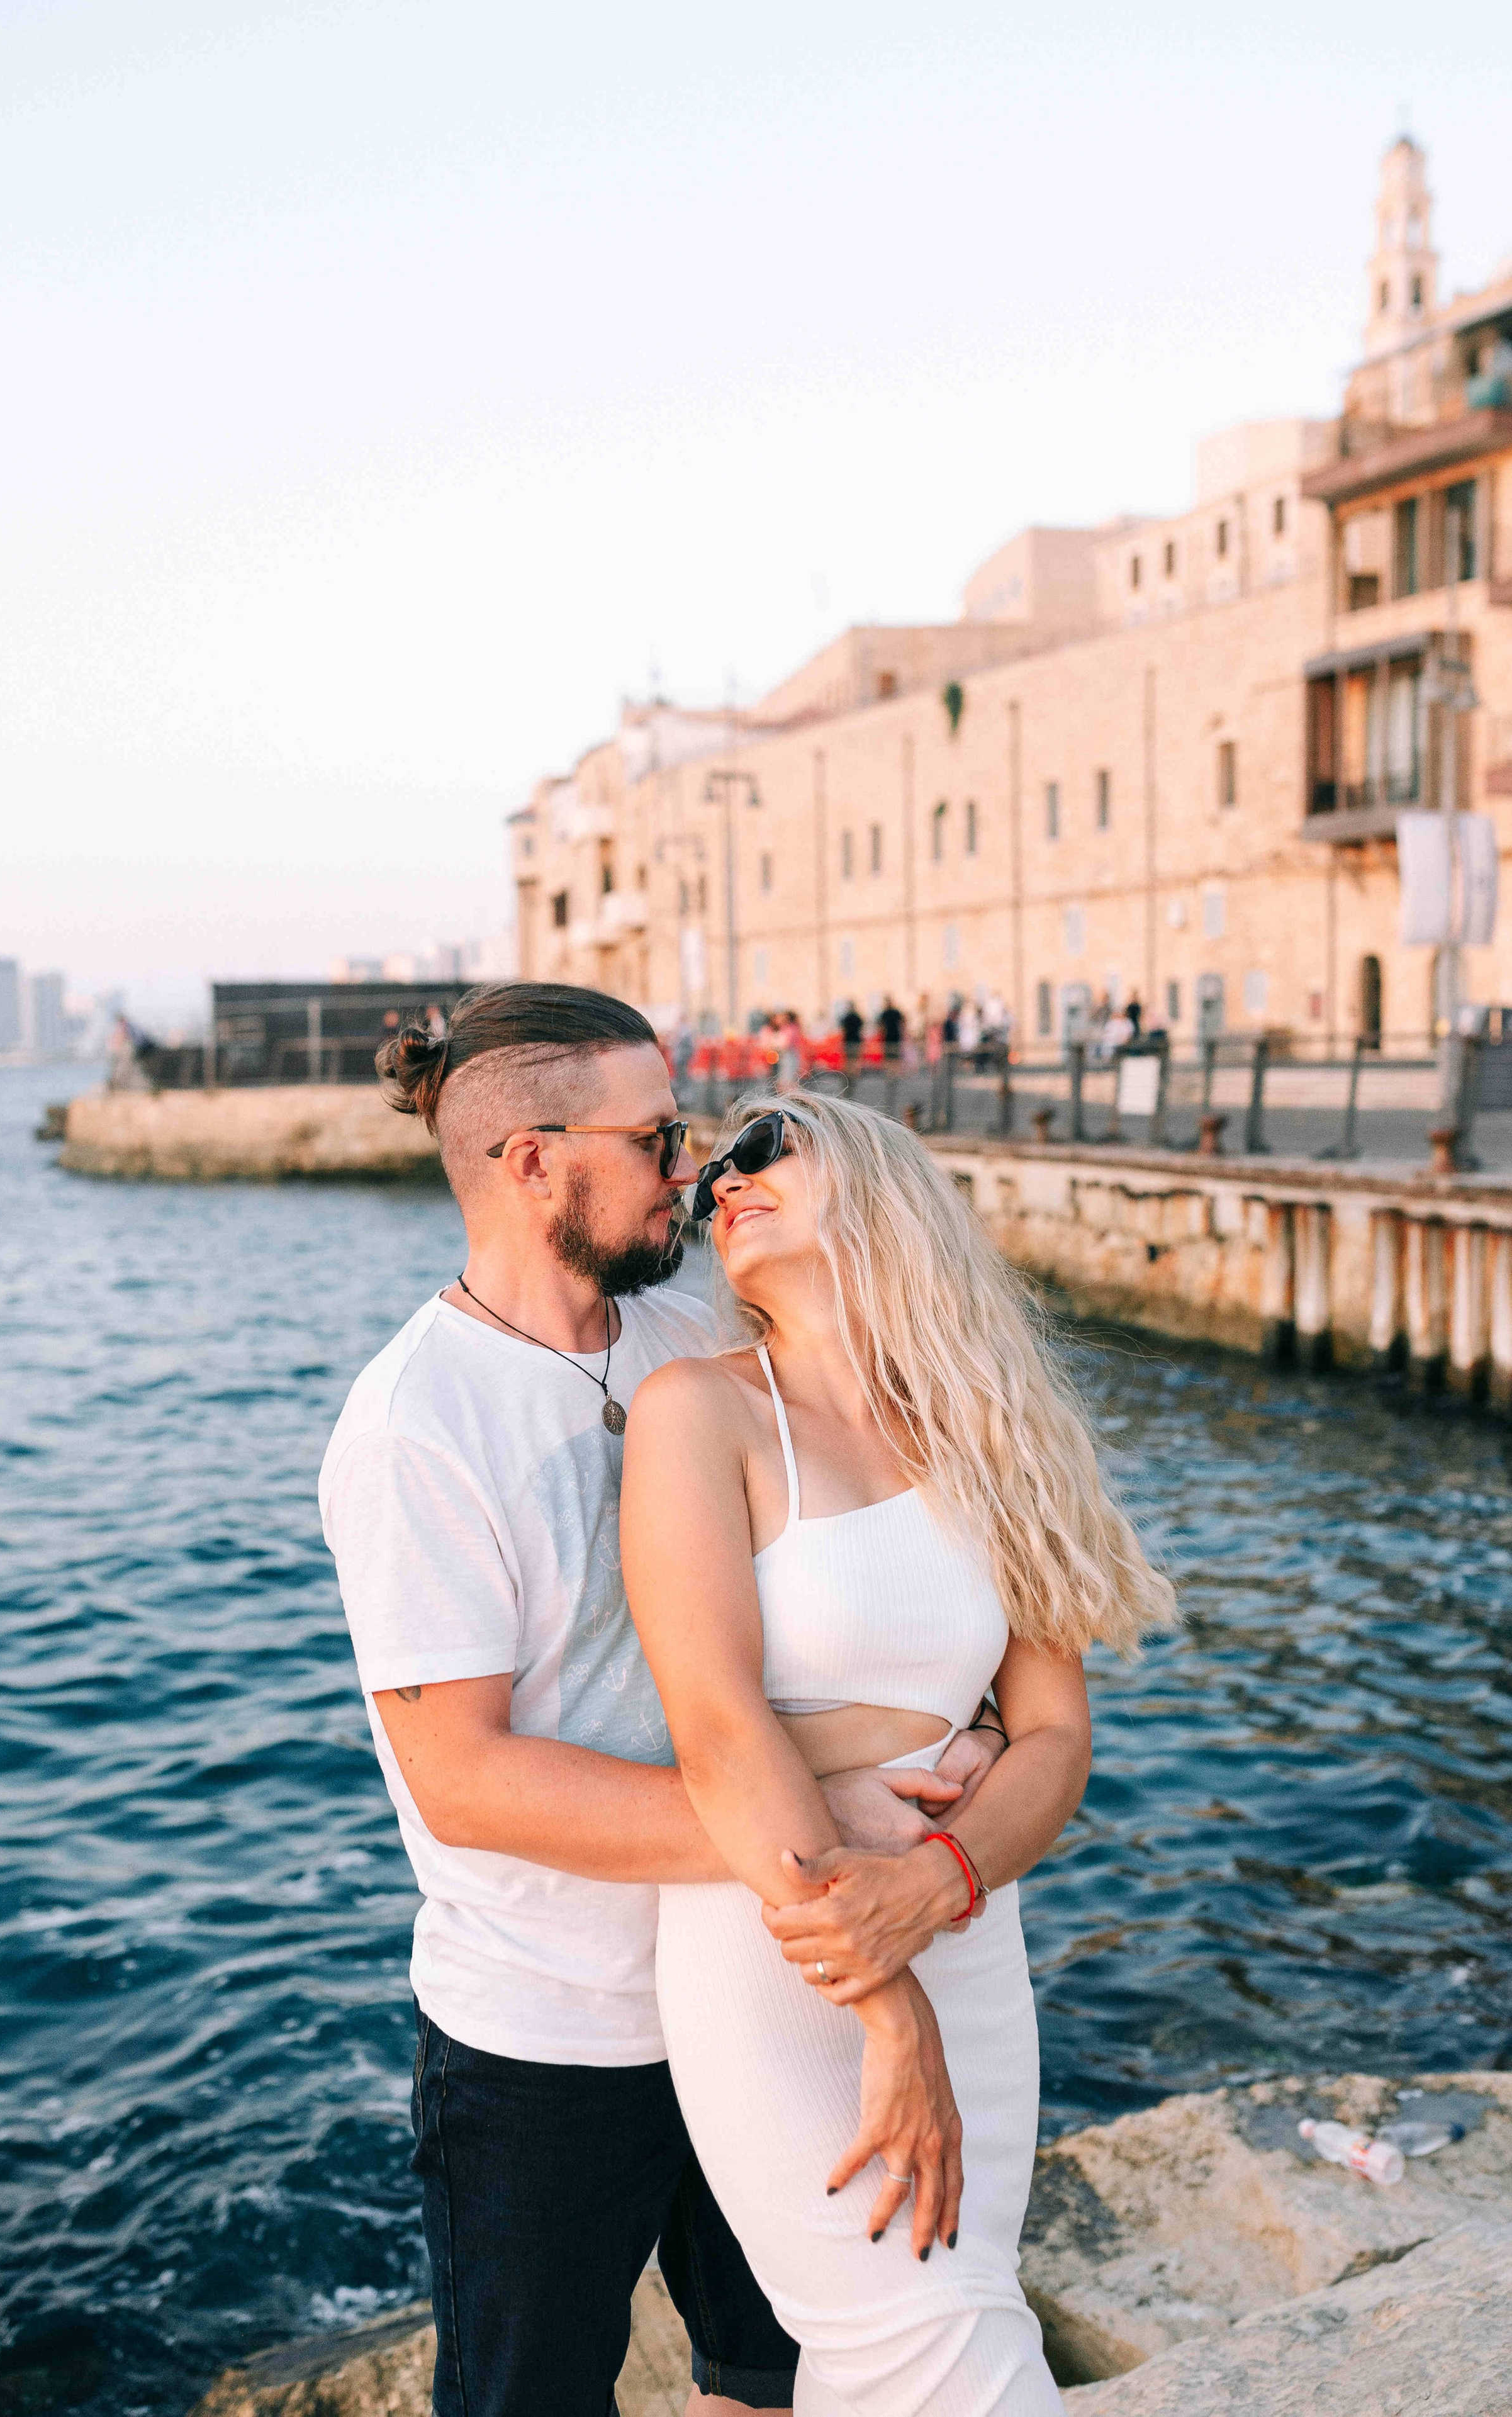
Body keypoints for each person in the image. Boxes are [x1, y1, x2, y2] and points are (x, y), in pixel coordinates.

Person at [319, 985, 1000, 2417]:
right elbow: (466, 1778)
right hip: (552, 2030)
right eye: (655, 1134)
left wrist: (959, 1701)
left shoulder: (685, 1313)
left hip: (761, 1966)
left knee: (771, 2376)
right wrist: (816, 1817)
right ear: (531, 1160)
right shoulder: (413, 1425)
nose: (690, 1165)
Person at [621, 1092, 1177, 2414]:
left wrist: (932, 1888)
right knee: (946, 2358)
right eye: (713, 1170)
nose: (723, 1177)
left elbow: (1051, 1738)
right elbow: (713, 1720)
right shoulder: (696, 1411)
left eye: (764, 1146)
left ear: (877, 1186)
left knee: (913, 2347)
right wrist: (886, 1998)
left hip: (970, 1940)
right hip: (781, 1949)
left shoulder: (986, 1430)